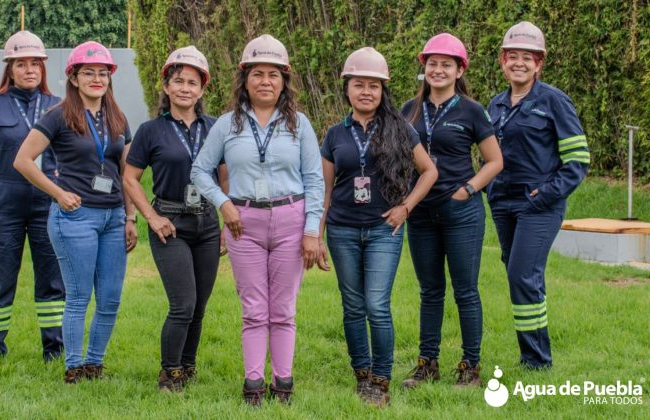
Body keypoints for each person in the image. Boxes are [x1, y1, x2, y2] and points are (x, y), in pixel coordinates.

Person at [190, 34, 324, 406]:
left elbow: (314, 179)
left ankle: (283, 383)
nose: (266, 81)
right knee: (253, 309)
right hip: (242, 222)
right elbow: (199, 170)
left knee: (283, 309)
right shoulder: (227, 125)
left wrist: (312, 230)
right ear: (244, 79)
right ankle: (253, 384)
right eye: (257, 74)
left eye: (274, 74)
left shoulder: (300, 124)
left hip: (290, 219)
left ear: (284, 81)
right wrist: (223, 203)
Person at [318, 47, 438, 406]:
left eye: (374, 85)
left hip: (384, 229)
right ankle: (362, 373)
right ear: (347, 88)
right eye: (359, 84)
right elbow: (324, 189)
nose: (366, 91)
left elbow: (430, 171)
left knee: (376, 304)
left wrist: (406, 206)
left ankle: (381, 378)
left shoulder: (400, 129)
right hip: (341, 230)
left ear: (384, 90)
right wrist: (318, 233)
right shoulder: (333, 135)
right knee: (353, 305)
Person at [14, 41, 136, 383]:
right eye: (88, 73)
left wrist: (130, 217)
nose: (96, 79)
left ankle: (95, 364)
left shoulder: (118, 117)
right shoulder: (57, 115)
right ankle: (73, 366)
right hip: (75, 218)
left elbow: (126, 173)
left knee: (110, 298)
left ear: (110, 78)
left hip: (113, 218)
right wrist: (58, 193)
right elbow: (22, 161)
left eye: (102, 73)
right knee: (79, 296)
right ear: (74, 77)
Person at [400, 33, 503, 388]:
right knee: (429, 290)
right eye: (432, 64)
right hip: (421, 214)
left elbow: (494, 161)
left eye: (447, 64)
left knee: (465, 290)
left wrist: (468, 189)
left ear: (460, 70)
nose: (438, 70)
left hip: (461, 212)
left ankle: (470, 367)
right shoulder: (408, 111)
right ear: (423, 67)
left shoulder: (472, 111)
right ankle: (427, 364)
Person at [123, 46, 227, 393]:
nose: (185, 88)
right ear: (166, 87)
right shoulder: (151, 130)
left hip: (208, 224)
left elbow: (225, 177)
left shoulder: (215, 128)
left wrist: (226, 224)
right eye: (178, 81)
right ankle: (169, 374)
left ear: (202, 89)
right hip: (169, 223)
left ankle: (188, 366)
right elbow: (129, 178)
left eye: (192, 82)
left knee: (199, 306)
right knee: (182, 304)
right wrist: (151, 217)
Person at [0, 30, 65, 364]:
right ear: (10, 68)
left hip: (48, 204)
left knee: (52, 277)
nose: (30, 69)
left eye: (36, 63)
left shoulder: (58, 106)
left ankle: (54, 348)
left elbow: (75, 156)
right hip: (3, 203)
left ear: (43, 68)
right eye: (22, 64)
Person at [487, 22, 589, 370]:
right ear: (503, 60)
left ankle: (536, 361)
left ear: (539, 63)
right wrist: (488, 189)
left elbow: (578, 159)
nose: (519, 63)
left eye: (527, 58)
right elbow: (489, 156)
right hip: (503, 203)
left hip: (539, 205)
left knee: (521, 276)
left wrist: (546, 194)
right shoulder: (496, 104)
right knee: (525, 277)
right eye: (512, 56)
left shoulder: (554, 101)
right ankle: (534, 354)